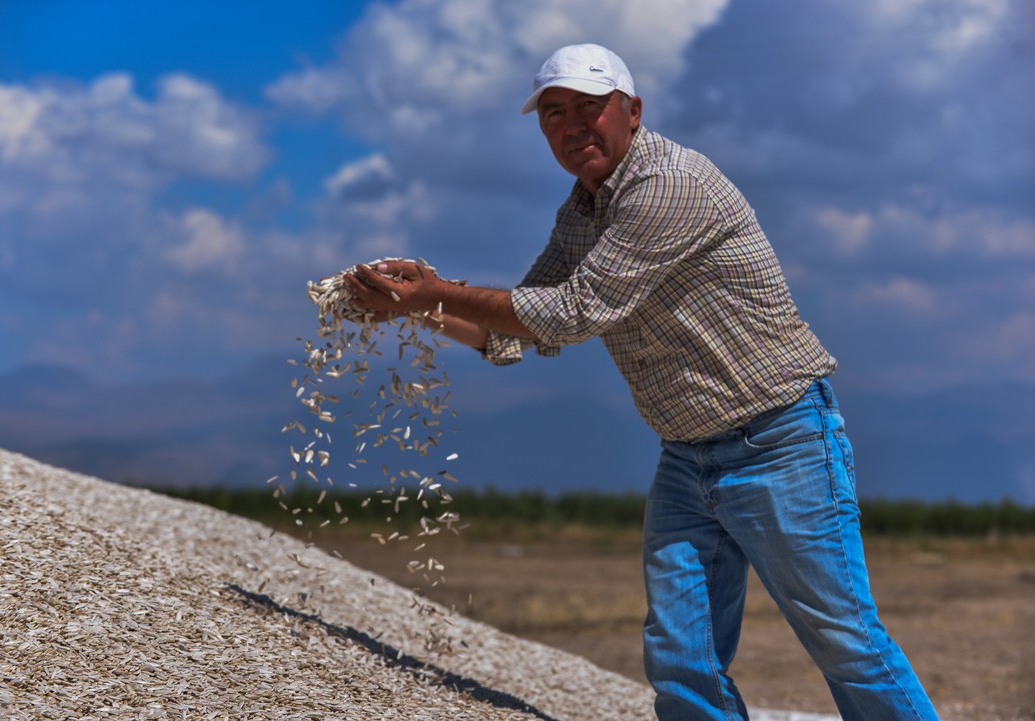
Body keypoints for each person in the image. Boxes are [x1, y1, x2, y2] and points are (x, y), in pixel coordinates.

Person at [345, 43, 939, 721]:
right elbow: (522, 329)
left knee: (845, 642)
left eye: (589, 108)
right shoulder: (581, 212)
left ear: (632, 111)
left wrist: (433, 293)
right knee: (681, 655)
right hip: (687, 455)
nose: (572, 126)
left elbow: (572, 312)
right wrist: (415, 306)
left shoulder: (667, 184)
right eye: (553, 113)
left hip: (779, 441)